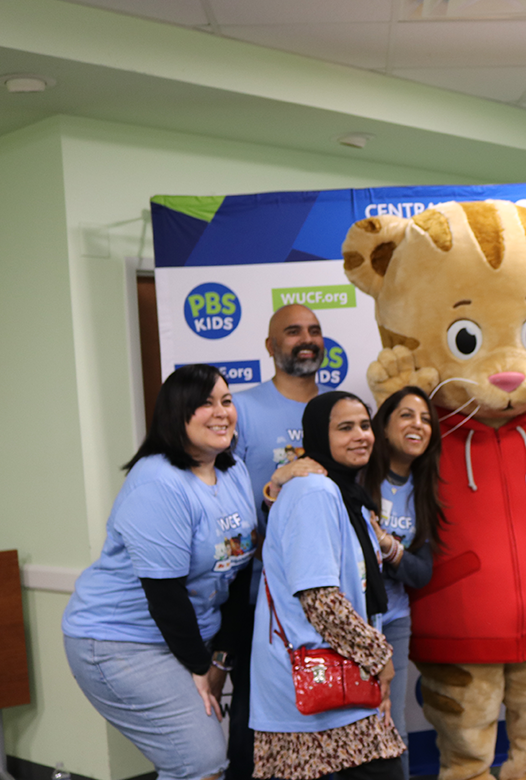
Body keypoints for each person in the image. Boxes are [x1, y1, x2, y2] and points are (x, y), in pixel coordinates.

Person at [62, 364, 256, 780]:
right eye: (205, 403)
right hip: (120, 642)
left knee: (200, 762)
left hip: (189, 637)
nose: (222, 412)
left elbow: (240, 576)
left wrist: (220, 659)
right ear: (176, 414)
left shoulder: (233, 470)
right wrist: (201, 667)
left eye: (226, 400)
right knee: (200, 760)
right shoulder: (158, 483)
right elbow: (165, 597)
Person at [249, 391, 406, 780]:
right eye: (345, 427)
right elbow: (319, 599)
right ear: (319, 436)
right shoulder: (315, 492)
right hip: (318, 682)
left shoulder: (343, 493)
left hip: (338, 679)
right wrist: (378, 658)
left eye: (365, 426)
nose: (361, 436)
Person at [226, 303, 328, 780]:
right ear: (270, 347)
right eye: (292, 332)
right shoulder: (241, 409)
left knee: (324, 706)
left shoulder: (338, 409)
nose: (305, 339)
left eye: (313, 330)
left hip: (325, 590)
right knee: (254, 708)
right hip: (259, 592)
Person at [361, 386, 444, 780]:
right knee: (346, 727)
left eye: (426, 419)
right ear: (385, 425)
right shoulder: (358, 478)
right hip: (349, 624)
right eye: (407, 415)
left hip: (394, 620)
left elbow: (422, 572)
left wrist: (389, 547)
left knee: (392, 726)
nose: (418, 425)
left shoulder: (425, 489)